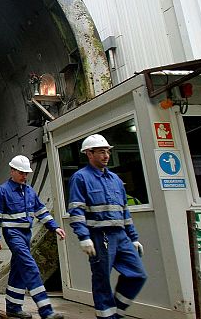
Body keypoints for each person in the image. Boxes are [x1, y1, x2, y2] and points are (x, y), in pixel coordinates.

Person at [68, 134, 147, 319]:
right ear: (89, 153)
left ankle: (116, 312)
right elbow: (76, 210)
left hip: (121, 236)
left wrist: (133, 238)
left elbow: (125, 211)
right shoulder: (80, 178)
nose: (106, 155)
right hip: (99, 236)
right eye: (101, 152)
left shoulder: (116, 180)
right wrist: (84, 237)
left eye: (107, 151)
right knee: (102, 279)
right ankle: (106, 316)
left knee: (137, 274)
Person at [0, 155, 66, 319]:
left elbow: (41, 211)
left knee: (18, 270)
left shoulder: (30, 192)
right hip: (13, 235)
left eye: (26, 173)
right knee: (30, 268)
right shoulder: (2, 191)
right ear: (12, 171)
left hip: (26, 235)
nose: (25, 176)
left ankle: (13, 307)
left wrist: (55, 227)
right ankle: (46, 311)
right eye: (21, 172)